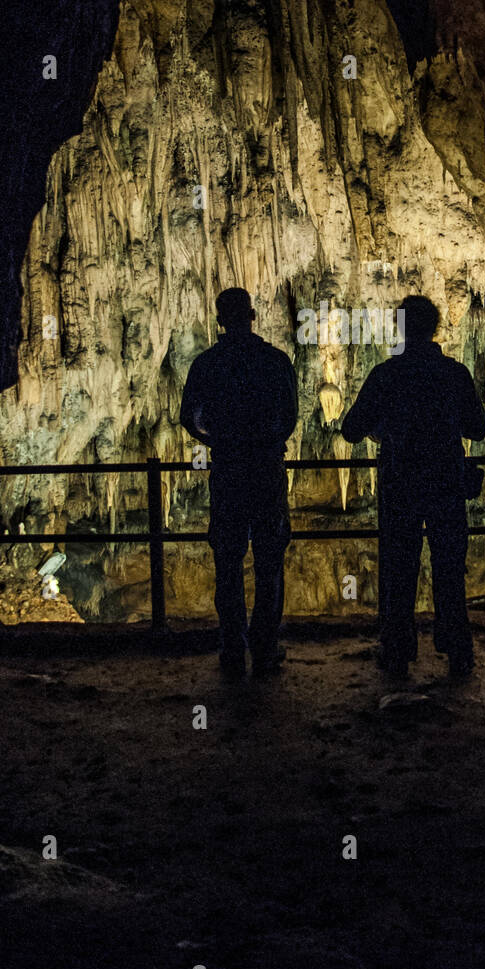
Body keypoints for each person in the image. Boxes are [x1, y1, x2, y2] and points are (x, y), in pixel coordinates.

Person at [341, 296, 485, 679]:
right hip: (445, 484)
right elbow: (478, 427)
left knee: (399, 567)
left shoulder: (387, 375)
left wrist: (383, 428)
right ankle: (457, 649)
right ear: (435, 328)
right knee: (450, 569)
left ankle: (397, 650)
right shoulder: (453, 375)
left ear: (400, 328)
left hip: (401, 484)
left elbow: (351, 429)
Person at [180, 288, 298, 677]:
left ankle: (232, 648)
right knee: (269, 561)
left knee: (227, 561)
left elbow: (189, 417)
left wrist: (216, 438)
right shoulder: (275, 362)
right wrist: (263, 439)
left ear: (219, 321)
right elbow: (290, 417)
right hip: (265, 469)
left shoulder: (208, 364)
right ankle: (264, 648)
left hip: (229, 470)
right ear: (252, 315)